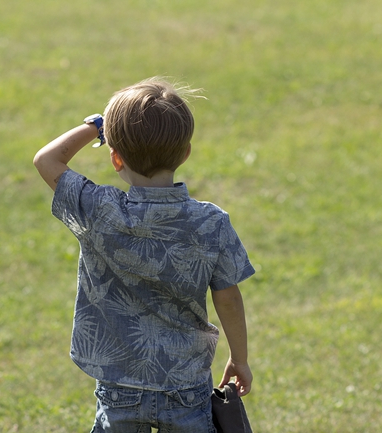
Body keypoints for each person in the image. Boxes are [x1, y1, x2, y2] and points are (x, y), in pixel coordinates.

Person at [33, 77, 255, 433]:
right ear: (185, 153)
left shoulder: (98, 211)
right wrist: (239, 359)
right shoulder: (210, 222)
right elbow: (228, 297)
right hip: (186, 384)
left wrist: (95, 126)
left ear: (116, 158)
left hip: (119, 382)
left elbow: (46, 160)